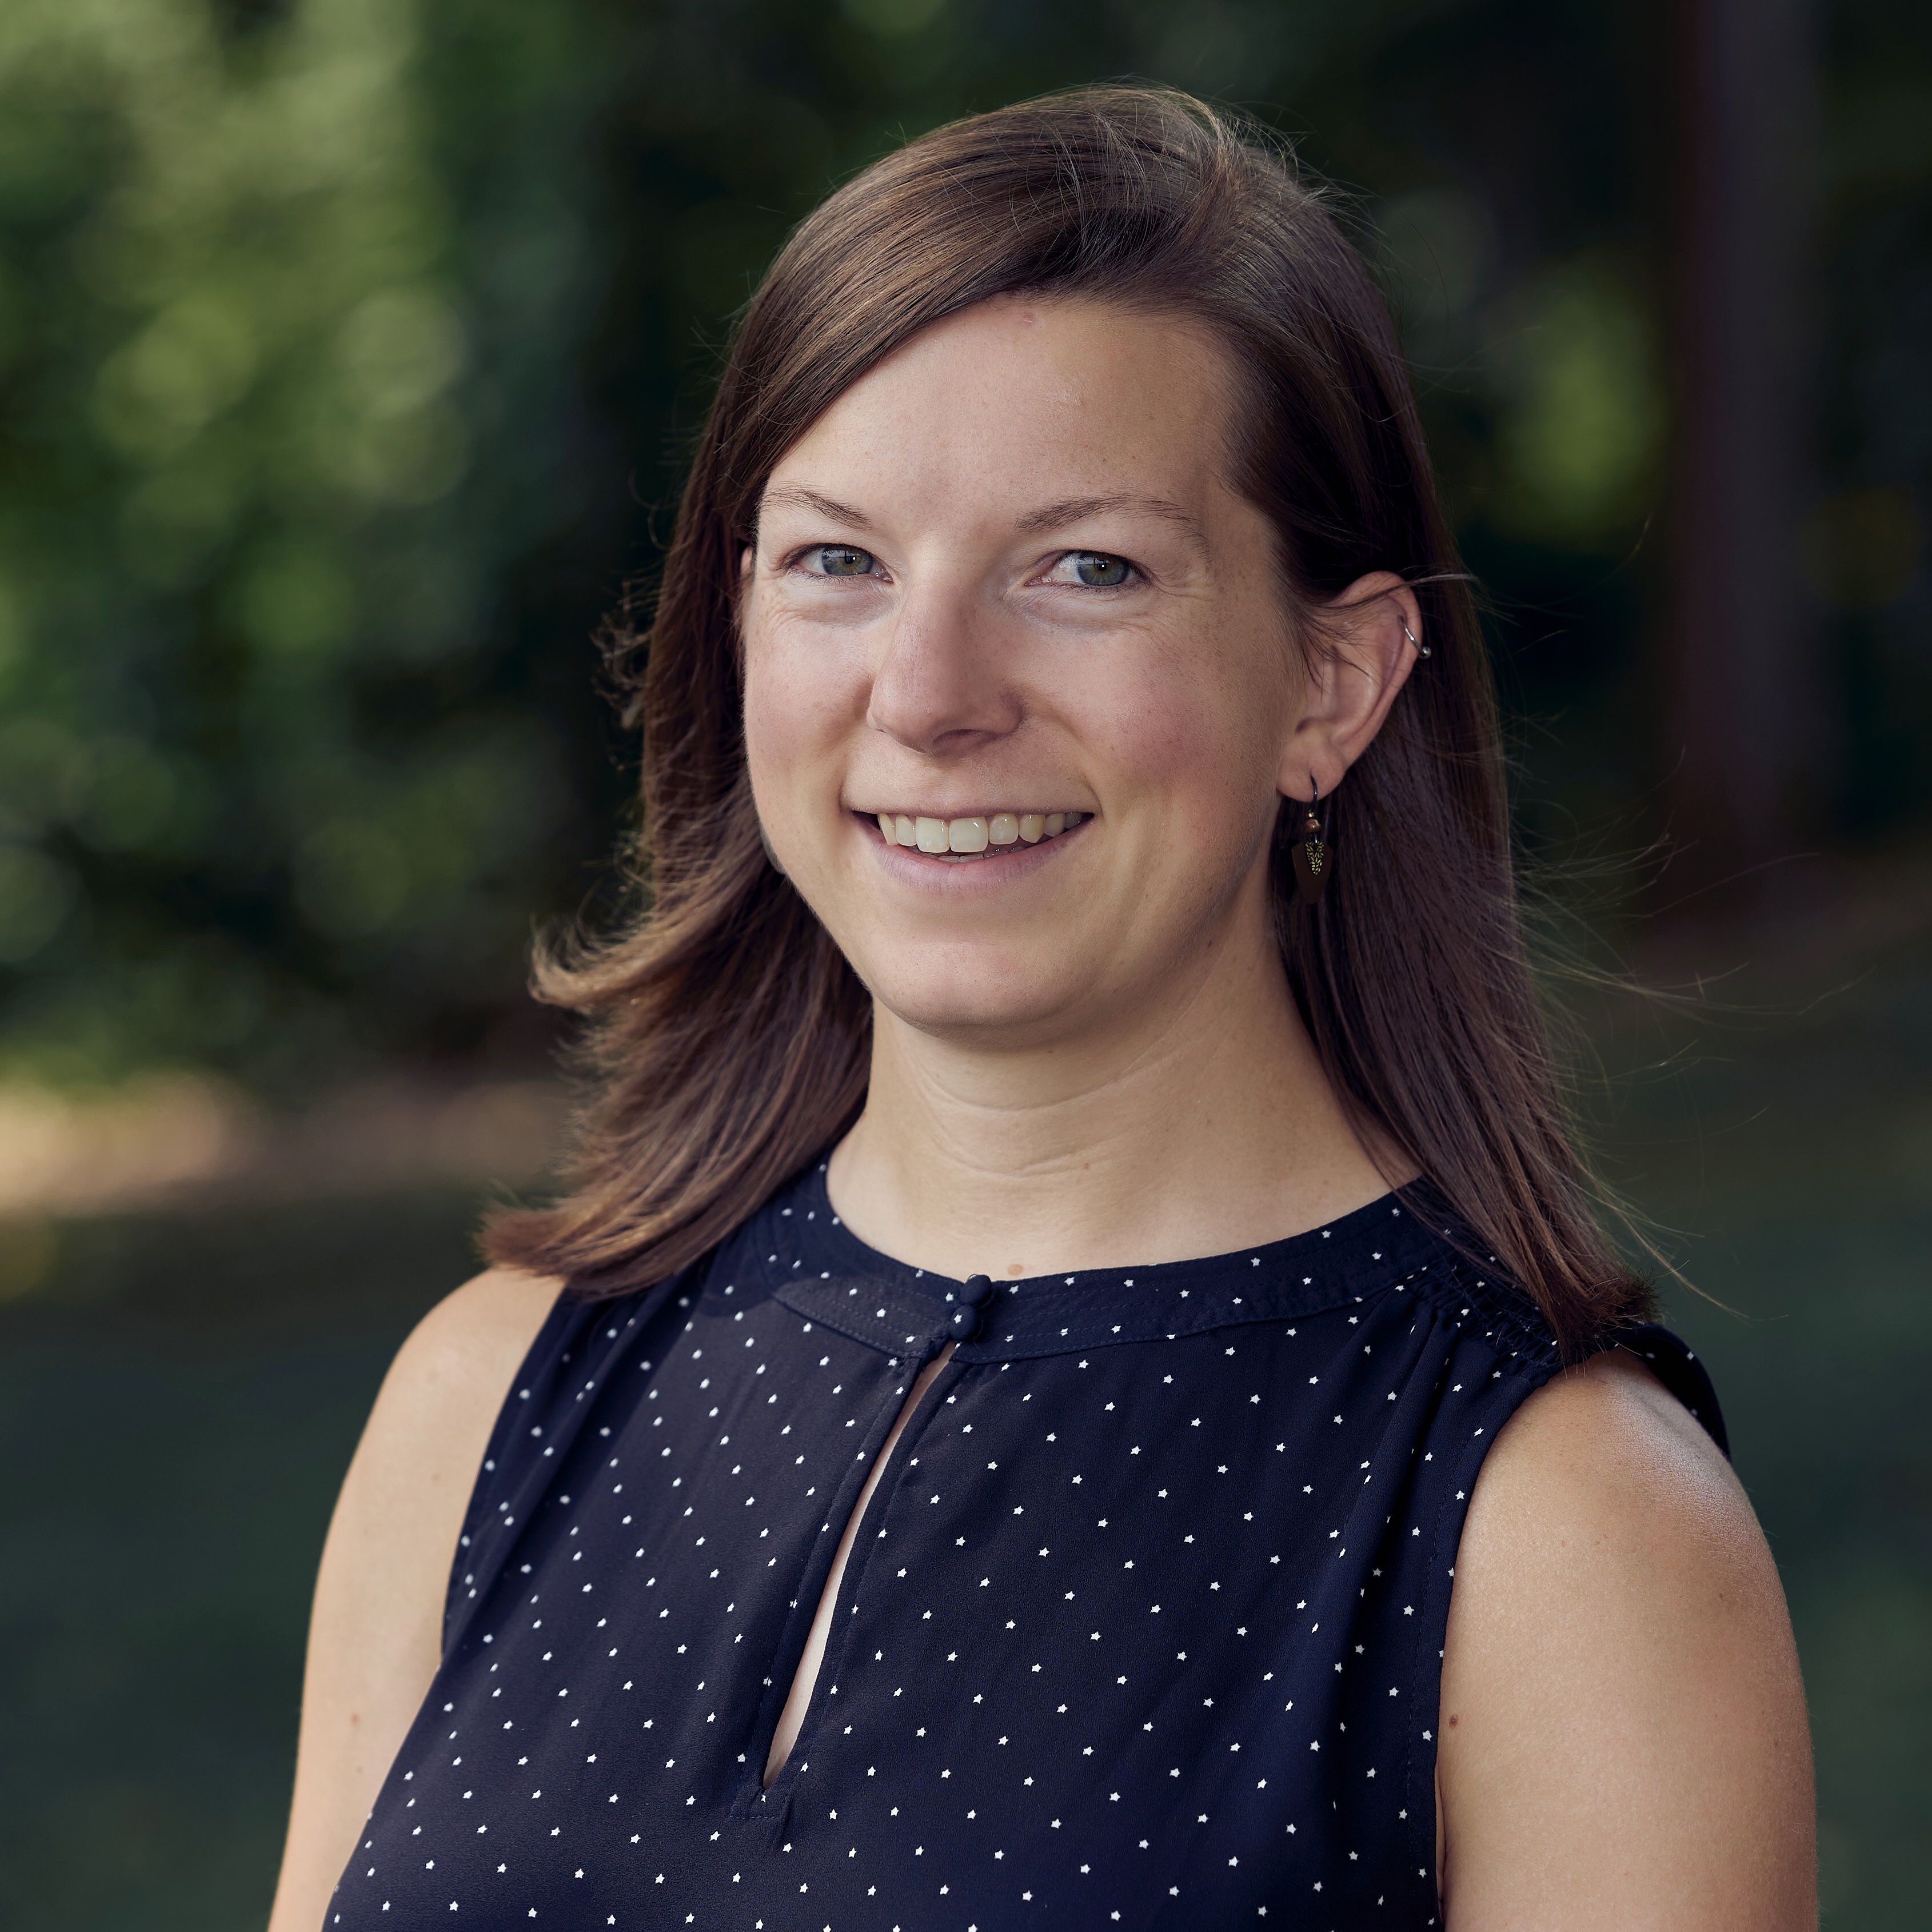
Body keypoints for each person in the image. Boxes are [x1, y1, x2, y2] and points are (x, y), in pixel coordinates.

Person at [268, 87, 1814, 1931]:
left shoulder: (1565, 1531)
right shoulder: (488, 1393)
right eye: (838, 559)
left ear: (1332, 680)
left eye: (1082, 568)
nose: (926, 692)